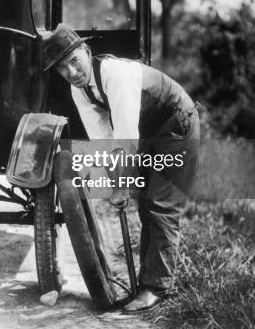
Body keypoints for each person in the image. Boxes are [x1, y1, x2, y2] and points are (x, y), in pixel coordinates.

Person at [42, 23, 200, 314]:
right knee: (146, 206)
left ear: (86, 51)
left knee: (161, 205)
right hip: (150, 131)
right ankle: (150, 281)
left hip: (176, 125)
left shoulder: (116, 75)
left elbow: (126, 135)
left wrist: (120, 185)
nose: (72, 72)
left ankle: (157, 287)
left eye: (75, 62)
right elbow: (104, 140)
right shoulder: (80, 91)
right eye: (63, 69)